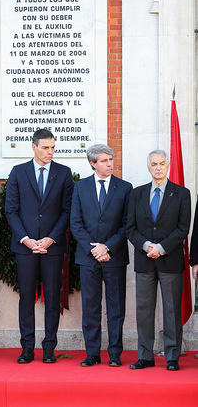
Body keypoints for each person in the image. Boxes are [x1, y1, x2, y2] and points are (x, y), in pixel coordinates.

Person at [5, 129, 74, 364]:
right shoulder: (18, 172)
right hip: (25, 247)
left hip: (52, 247)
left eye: (53, 147)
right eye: (45, 147)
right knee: (26, 298)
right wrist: (25, 238)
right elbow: (11, 210)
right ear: (33, 147)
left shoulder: (64, 174)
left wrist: (51, 238)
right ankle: (26, 348)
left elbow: (67, 211)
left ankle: (49, 349)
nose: (50, 152)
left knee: (52, 298)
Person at [127, 150, 191, 371]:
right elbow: (130, 228)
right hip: (145, 260)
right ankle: (145, 355)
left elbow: (183, 228)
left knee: (172, 310)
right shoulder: (137, 194)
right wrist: (147, 246)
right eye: (154, 164)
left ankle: (172, 356)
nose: (158, 168)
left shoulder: (182, 194)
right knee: (144, 310)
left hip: (170, 260)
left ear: (168, 165)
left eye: (162, 163)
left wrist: (161, 248)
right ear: (148, 167)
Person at [70, 144, 132, 367]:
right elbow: (75, 223)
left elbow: (127, 224)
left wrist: (107, 247)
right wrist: (93, 248)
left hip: (114, 257)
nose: (109, 164)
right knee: (91, 307)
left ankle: (115, 353)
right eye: (104, 161)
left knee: (116, 307)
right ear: (92, 163)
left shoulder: (125, 188)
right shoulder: (80, 187)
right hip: (88, 258)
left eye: (111, 160)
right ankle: (92, 353)